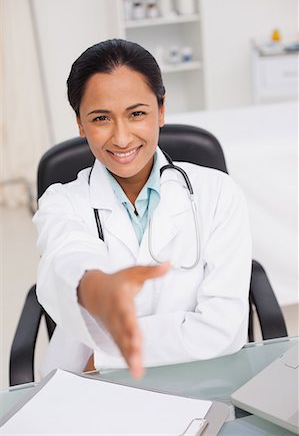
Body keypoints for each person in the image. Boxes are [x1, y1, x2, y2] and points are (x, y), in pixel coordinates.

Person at [33, 39, 252, 379]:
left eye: (136, 114)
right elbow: (68, 255)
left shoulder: (217, 193)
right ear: (79, 123)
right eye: (101, 118)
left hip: (195, 377)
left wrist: (108, 351)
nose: (121, 138)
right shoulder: (61, 202)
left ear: (161, 111)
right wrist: (96, 288)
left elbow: (223, 328)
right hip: (90, 387)